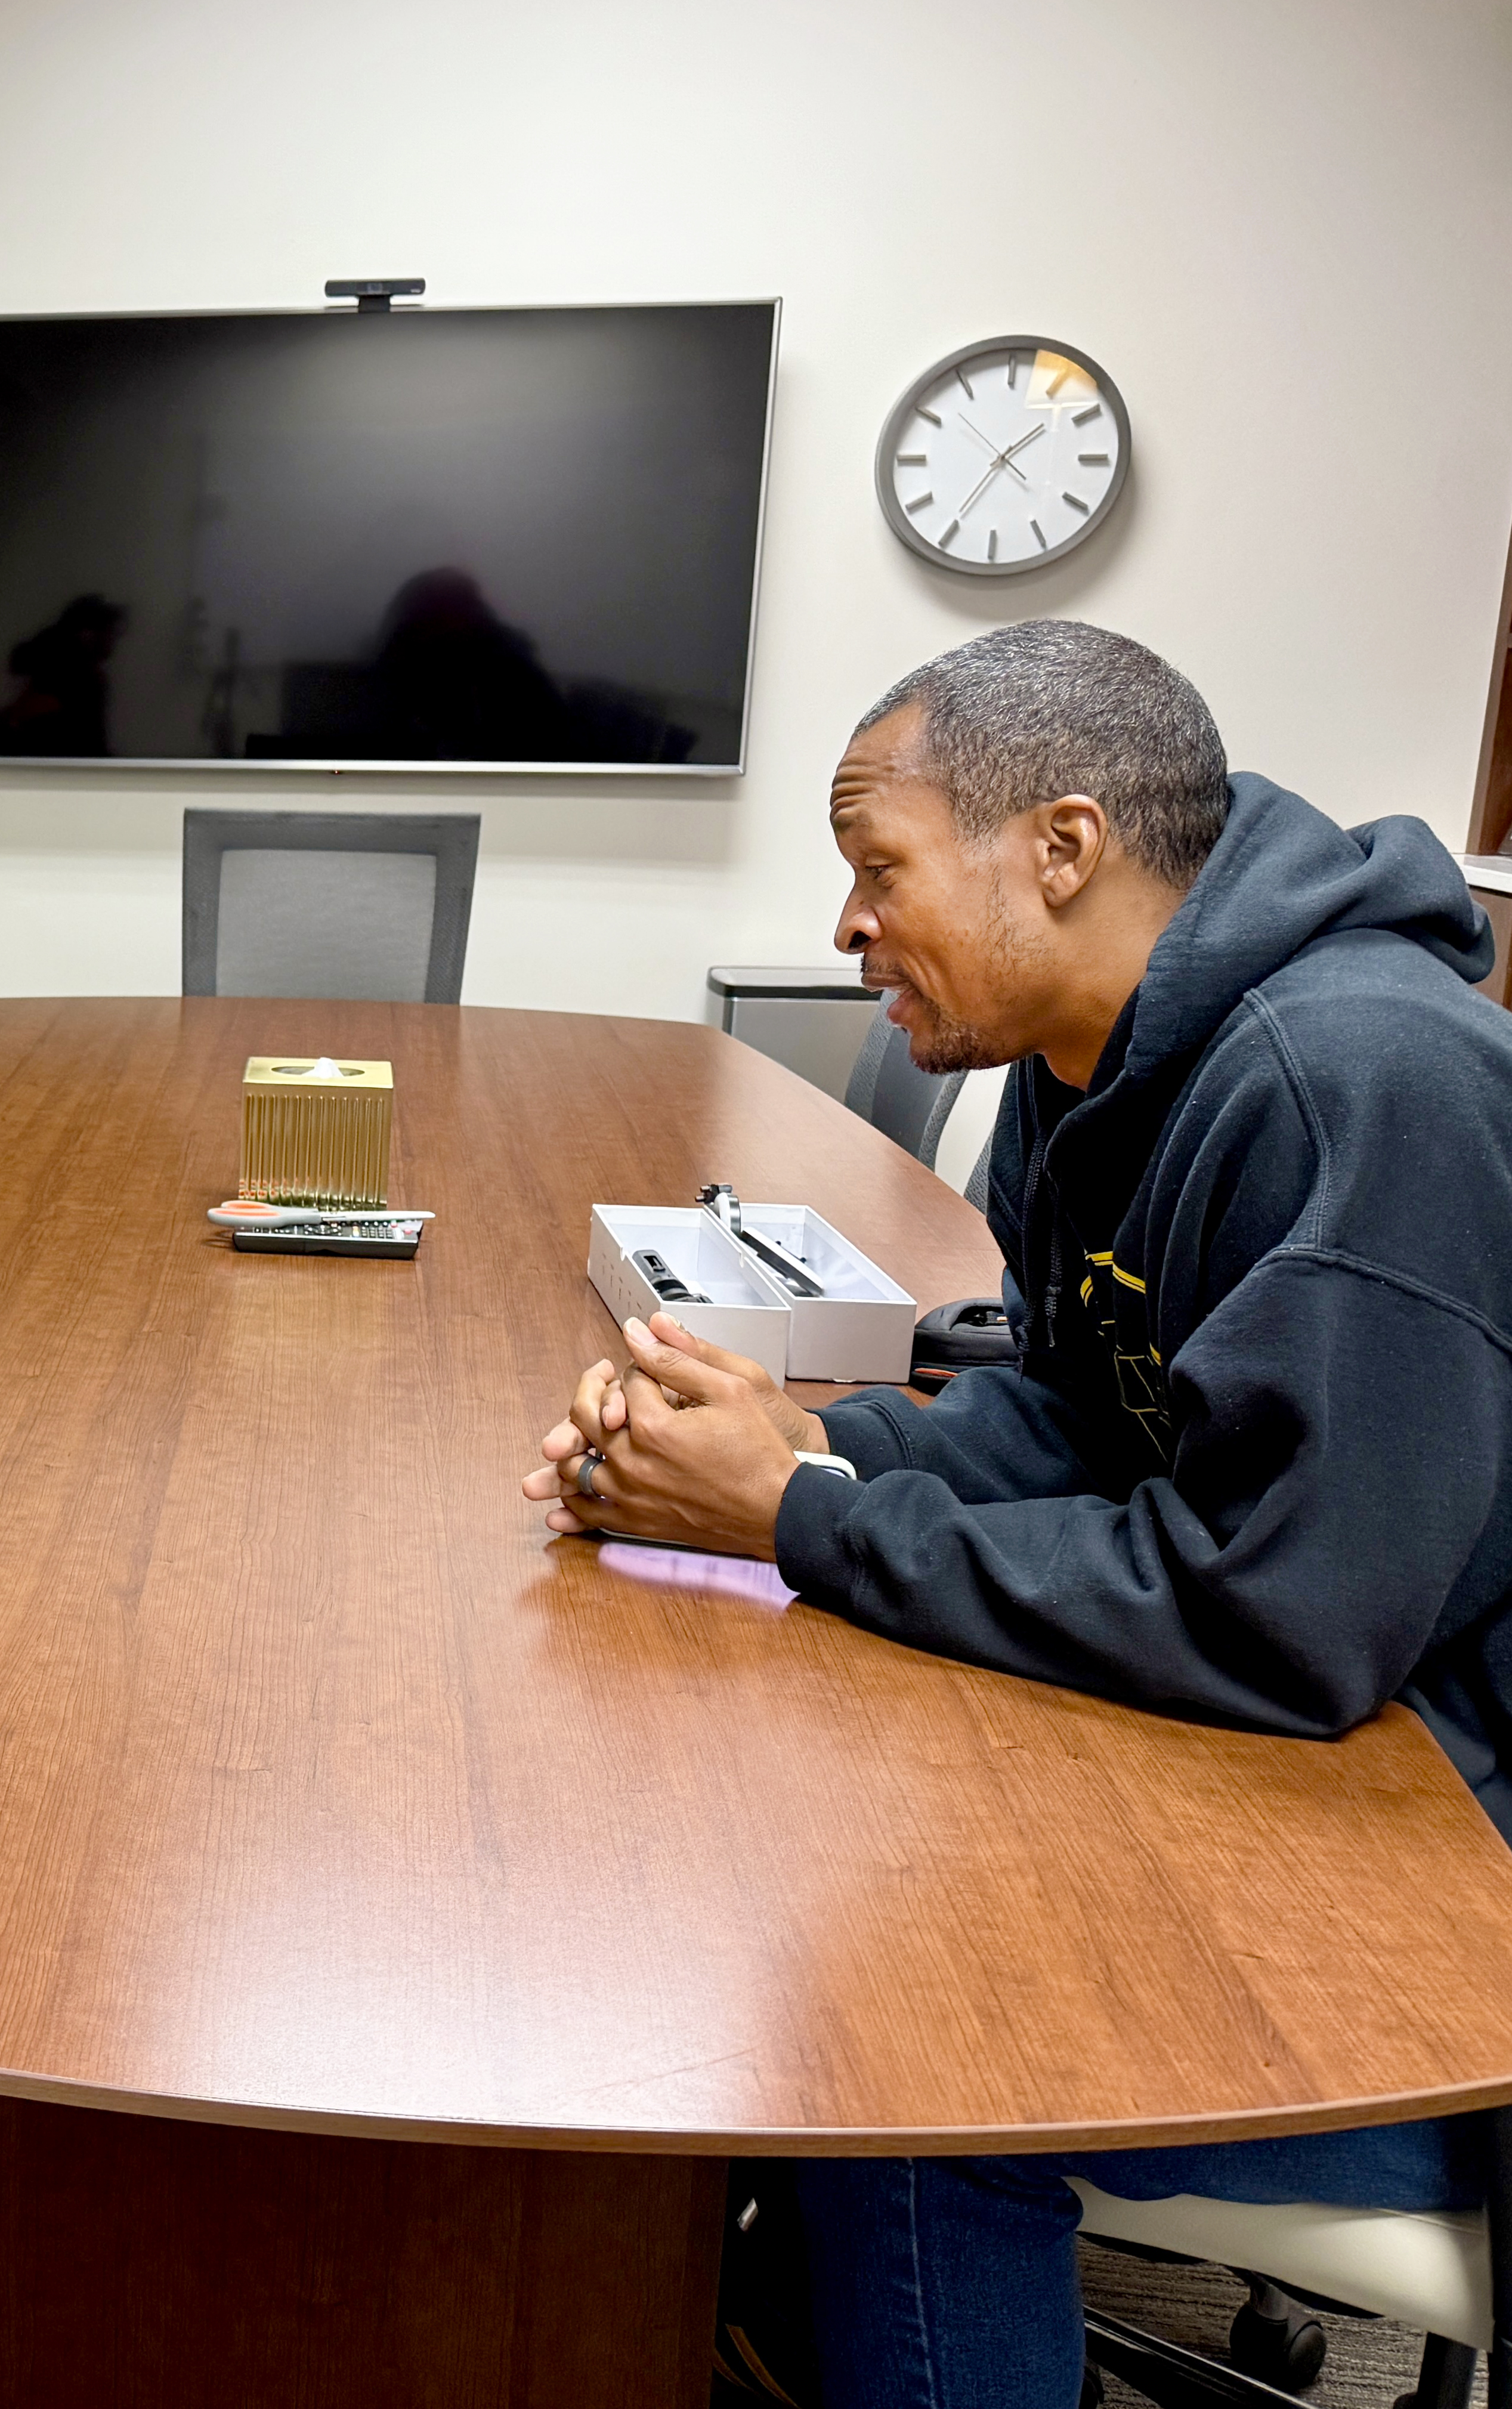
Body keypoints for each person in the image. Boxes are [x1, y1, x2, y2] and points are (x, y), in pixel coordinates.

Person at [512, 617, 1512, 2409]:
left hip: (1448, 1903)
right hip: (1322, 1770)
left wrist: (803, 1520)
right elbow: (1072, 1412)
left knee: (909, 2065)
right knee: (788, 1886)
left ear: (1061, 847)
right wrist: (773, 1446)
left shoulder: (1356, 1086)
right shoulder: (1078, 1076)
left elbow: (1285, 1618)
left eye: (876, 867)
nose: (844, 927)